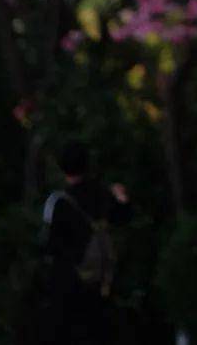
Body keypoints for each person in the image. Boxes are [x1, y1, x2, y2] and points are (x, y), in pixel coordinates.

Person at [39, 139, 132, 345]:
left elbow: (48, 246)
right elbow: (123, 217)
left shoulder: (58, 202)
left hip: (68, 287)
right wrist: (122, 198)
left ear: (62, 167)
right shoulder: (103, 194)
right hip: (101, 284)